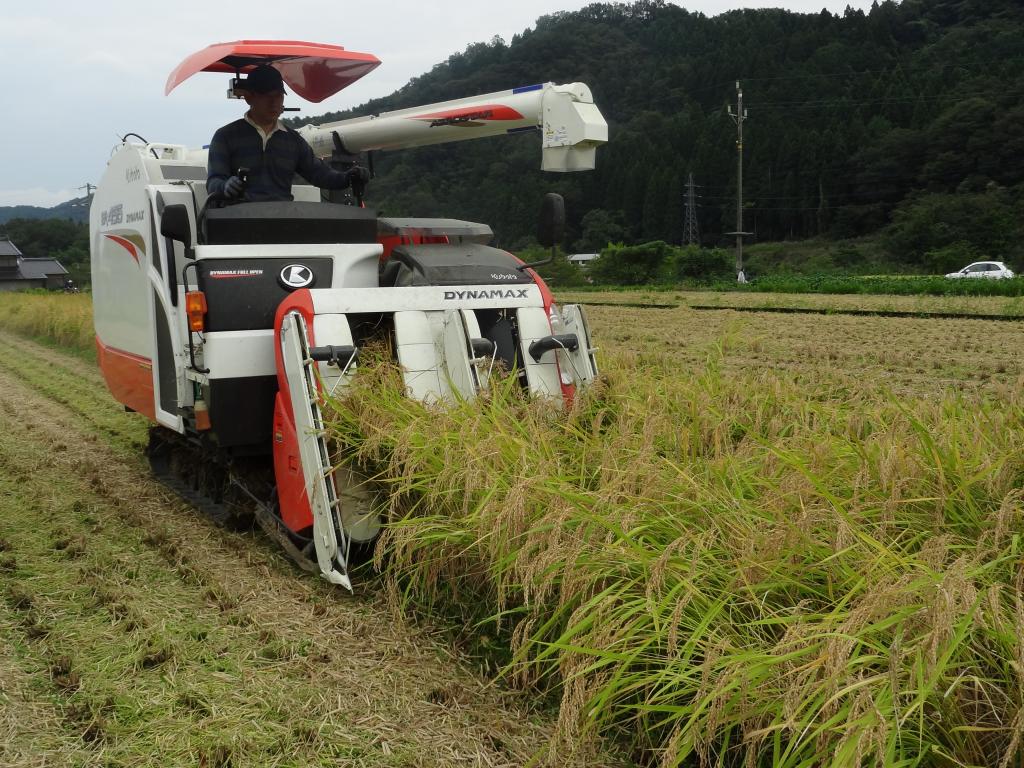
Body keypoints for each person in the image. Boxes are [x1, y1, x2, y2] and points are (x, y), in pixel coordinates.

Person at [206, 65, 369, 203]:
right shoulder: (225, 137)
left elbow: (320, 174)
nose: (274, 102)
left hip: (283, 220)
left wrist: (349, 177)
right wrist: (224, 186)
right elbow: (213, 182)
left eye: (278, 96)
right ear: (249, 98)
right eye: (267, 96)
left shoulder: (293, 140)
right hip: (237, 222)